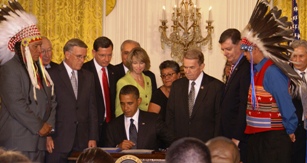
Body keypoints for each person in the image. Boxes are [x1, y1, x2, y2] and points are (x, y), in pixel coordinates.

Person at [240, 1, 301, 162]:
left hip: (273, 140)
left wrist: (290, 129)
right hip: (257, 137)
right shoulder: (256, 71)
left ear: (256, 49)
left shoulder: (272, 72)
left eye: (246, 51)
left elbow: (285, 104)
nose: (244, 55)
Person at [0, 1, 56, 162]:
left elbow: (52, 100)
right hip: (18, 141)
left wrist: (48, 127)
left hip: (38, 140)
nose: (40, 51)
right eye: (36, 46)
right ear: (23, 46)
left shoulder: (38, 68)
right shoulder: (10, 67)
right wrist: (40, 126)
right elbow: (16, 104)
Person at [46, 38, 98, 163]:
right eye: (79, 56)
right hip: (58, 140)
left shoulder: (88, 77)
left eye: (84, 57)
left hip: (82, 141)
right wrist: (47, 135)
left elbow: (92, 108)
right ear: (67, 55)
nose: (82, 61)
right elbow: (47, 108)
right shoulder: (51, 75)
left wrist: (92, 137)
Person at [166, 49, 224, 143]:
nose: (187, 71)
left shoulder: (216, 87)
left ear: (202, 66)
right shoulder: (177, 86)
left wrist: (215, 144)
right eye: (185, 67)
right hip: (181, 143)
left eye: (192, 67)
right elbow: (170, 116)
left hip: (206, 143)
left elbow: (219, 120)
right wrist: (172, 140)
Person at [106, 85, 175, 150]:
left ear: (139, 101)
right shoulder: (113, 126)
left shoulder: (153, 120)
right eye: (122, 104)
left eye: (130, 103)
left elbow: (172, 142)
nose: (125, 108)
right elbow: (107, 153)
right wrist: (118, 147)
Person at [219, 28, 250, 163]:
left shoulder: (246, 67)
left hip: (239, 138)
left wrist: (237, 137)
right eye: (223, 50)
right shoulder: (235, 66)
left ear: (240, 45)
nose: (225, 53)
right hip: (230, 133)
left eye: (228, 49)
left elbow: (244, 104)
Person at [82, 36, 117, 147]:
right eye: (102, 55)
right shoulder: (84, 70)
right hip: (91, 128)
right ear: (93, 52)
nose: (106, 59)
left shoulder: (114, 71)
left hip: (111, 127)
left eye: (109, 55)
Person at [115, 47, 152, 117]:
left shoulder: (148, 79)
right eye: (135, 63)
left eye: (141, 63)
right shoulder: (123, 82)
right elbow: (119, 109)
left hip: (147, 120)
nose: (138, 66)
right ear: (130, 63)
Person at [290, 39, 307, 163]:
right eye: (294, 56)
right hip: (295, 128)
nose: (297, 59)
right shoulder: (285, 76)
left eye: (301, 56)